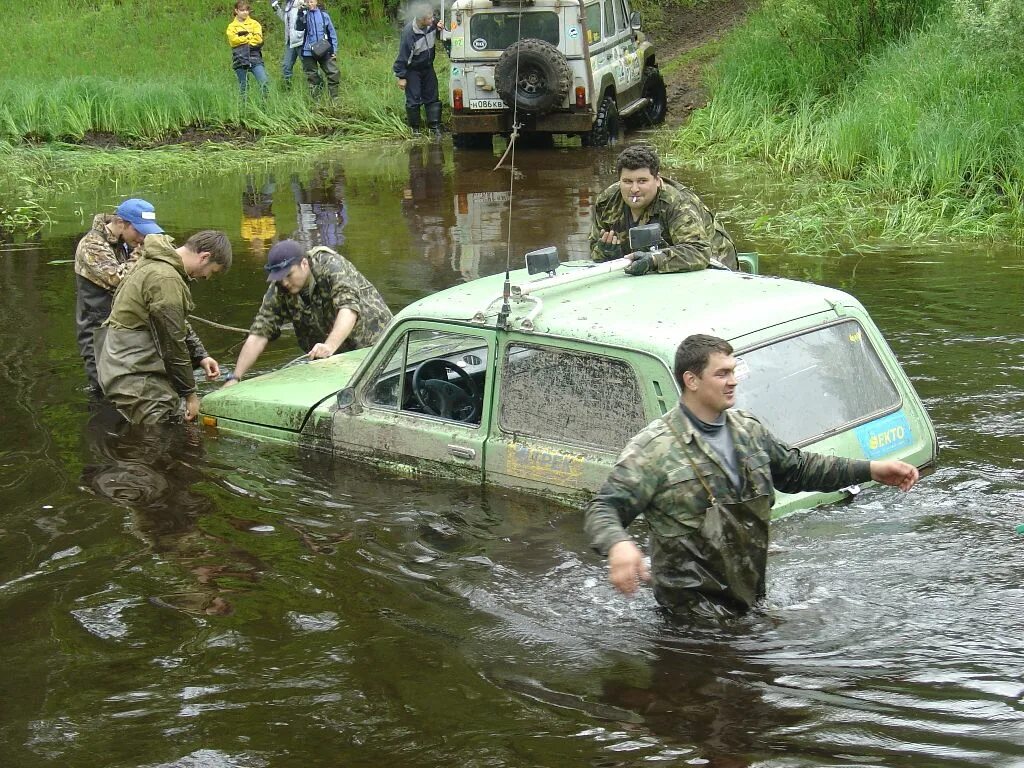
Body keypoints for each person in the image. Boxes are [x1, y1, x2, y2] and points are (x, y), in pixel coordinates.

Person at [583, 334, 920, 617]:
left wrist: (871, 469)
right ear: (692, 380)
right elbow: (604, 508)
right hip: (689, 621)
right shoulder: (654, 449)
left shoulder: (748, 431)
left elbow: (797, 470)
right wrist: (619, 545)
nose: (733, 381)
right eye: (722, 374)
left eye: (734, 372)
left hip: (749, 601)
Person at [97, 231, 233, 425]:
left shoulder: (158, 263)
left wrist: (201, 356)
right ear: (205, 257)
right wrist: (191, 396)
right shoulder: (165, 279)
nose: (207, 277)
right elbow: (172, 344)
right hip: (132, 372)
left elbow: (175, 323)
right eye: (212, 271)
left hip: (126, 363)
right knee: (158, 434)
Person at [224, 239, 392, 385]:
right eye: (279, 278)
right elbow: (260, 333)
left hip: (376, 348)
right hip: (332, 360)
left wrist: (329, 346)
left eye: (289, 275)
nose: (285, 283)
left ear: (304, 264)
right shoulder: (279, 289)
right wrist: (235, 377)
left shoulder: (330, 266)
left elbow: (348, 309)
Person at [590, 145, 738, 275]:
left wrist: (654, 260)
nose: (634, 189)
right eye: (627, 182)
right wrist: (607, 252)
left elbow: (699, 252)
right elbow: (594, 250)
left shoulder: (678, 203)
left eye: (642, 181)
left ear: (657, 179)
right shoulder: (607, 202)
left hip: (714, 267)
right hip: (648, 271)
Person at [74, 199, 163, 394]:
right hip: (96, 332)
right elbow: (119, 279)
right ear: (121, 223)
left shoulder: (124, 242)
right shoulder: (91, 245)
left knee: (128, 389)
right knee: (104, 390)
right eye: (139, 232)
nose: (142, 238)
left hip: (120, 328)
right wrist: (143, 252)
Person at [393, 3, 448, 137]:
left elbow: (438, 27)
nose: (432, 20)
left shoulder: (431, 24)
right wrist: (401, 76)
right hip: (413, 69)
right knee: (414, 98)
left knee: (432, 96)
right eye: (429, 19)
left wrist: (439, 27)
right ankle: (415, 129)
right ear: (421, 20)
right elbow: (403, 56)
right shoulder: (409, 34)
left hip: (428, 66)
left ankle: (434, 126)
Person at [295, 0, 339, 99]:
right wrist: (300, 14)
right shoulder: (304, 16)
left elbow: (332, 33)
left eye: (312, 1)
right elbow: (298, 28)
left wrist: (334, 50)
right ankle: (316, 100)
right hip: (307, 51)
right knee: (312, 76)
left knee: (333, 73)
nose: (310, 4)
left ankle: (334, 98)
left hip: (324, 49)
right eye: (307, 2)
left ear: (316, 2)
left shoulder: (324, 16)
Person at [226, 1, 270, 99]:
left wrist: (241, 39)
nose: (245, 12)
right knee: (243, 87)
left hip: (255, 57)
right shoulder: (231, 27)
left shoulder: (255, 24)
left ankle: (265, 107)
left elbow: (258, 39)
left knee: (264, 82)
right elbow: (233, 41)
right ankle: (243, 110)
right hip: (239, 58)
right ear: (236, 11)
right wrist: (249, 37)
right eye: (242, 10)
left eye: (247, 10)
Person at [270, 0, 305, 87]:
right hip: (290, 41)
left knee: (308, 66)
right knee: (286, 66)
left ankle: (317, 87)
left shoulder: (302, 3)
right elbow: (285, 19)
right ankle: (287, 89)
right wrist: (276, 7)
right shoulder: (289, 4)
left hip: (302, 41)